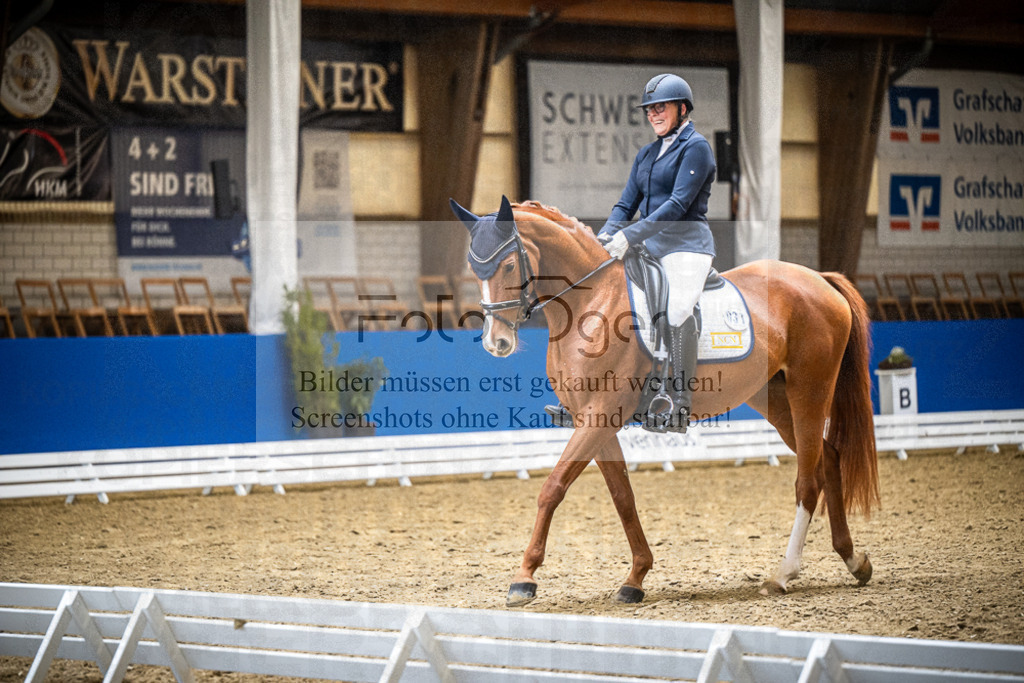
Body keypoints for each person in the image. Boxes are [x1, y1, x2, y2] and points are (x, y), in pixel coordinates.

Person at [547, 73, 717, 433]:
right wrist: (606, 236)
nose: (654, 114)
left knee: (678, 308)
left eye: (661, 107)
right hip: (647, 244)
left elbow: (677, 204)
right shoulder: (647, 154)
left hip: (686, 245)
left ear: (682, 109)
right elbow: (626, 204)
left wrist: (631, 236)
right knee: (608, 299)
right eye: (650, 109)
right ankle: (584, 396)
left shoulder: (696, 147)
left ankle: (679, 403)